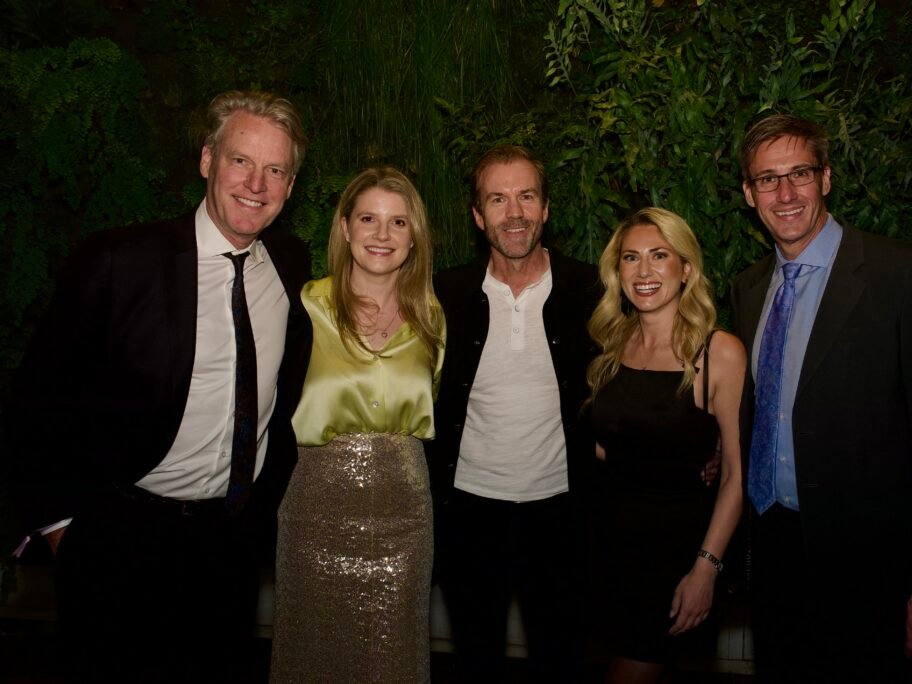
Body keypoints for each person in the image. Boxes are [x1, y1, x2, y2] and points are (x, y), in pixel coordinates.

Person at [6, 90, 313, 680]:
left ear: (291, 186)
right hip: (119, 537)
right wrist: (57, 526)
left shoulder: (290, 264)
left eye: (276, 169)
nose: (256, 183)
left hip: (228, 545)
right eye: (240, 160)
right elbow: (35, 398)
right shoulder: (120, 261)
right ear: (206, 161)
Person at [730, 114, 912, 682]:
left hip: (872, 570)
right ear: (748, 193)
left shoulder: (904, 276)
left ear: (827, 178)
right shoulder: (747, 287)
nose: (785, 193)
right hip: (774, 553)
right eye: (768, 180)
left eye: (800, 174)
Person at [428, 145, 602, 683]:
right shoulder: (444, 293)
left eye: (527, 196)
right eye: (498, 199)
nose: (515, 212)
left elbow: (643, 370)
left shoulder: (592, 290)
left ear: (546, 207)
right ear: (479, 216)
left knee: (562, 659)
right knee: (476, 660)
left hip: (562, 513)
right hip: (469, 512)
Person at [270, 167, 445, 683]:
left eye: (397, 222)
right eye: (368, 218)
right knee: (311, 656)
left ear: (414, 236)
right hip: (313, 510)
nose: (382, 235)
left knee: (392, 660)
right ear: (344, 228)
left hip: (406, 519)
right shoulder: (303, 306)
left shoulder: (435, 315)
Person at [588, 208, 745, 683]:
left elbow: (737, 476)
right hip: (613, 551)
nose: (645, 271)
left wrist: (706, 569)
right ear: (618, 273)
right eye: (631, 258)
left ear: (687, 270)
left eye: (660, 256)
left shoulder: (717, 353)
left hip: (676, 556)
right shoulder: (611, 346)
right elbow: (604, 446)